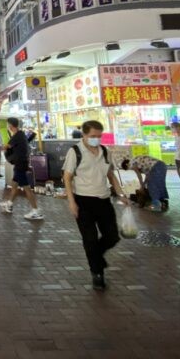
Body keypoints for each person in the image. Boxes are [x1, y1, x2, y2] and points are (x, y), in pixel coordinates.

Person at [63, 120, 129, 291]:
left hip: (104, 200)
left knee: (112, 236)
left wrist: (120, 194)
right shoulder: (75, 151)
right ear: (84, 135)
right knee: (90, 239)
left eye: (99, 136)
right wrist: (71, 202)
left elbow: (110, 175)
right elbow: (67, 177)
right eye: (92, 136)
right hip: (83, 201)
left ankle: (96, 257)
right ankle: (97, 273)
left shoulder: (105, 151)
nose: (96, 139)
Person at [0, 117, 43, 221]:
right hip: (21, 163)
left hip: (20, 164)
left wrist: (1, 147)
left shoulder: (17, 135)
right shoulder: (21, 134)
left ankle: (36, 210)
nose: (7, 126)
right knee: (14, 185)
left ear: (10, 125)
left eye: (7, 124)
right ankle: (9, 204)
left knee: (27, 188)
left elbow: (6, 146)